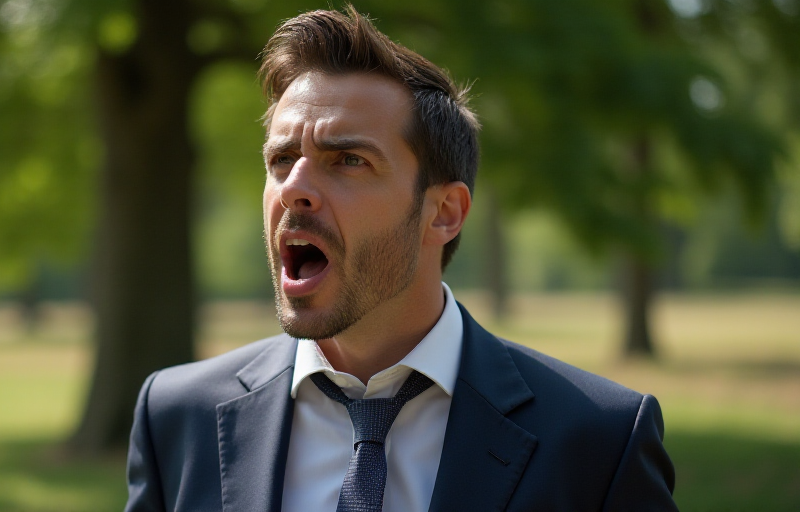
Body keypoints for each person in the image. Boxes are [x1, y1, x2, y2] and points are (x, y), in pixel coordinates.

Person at [125, 6, 677, 512]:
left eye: (347, 159)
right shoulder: (175, 419)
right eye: (282, 159)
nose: (295, 188)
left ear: (443, 213)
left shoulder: (598, 442)